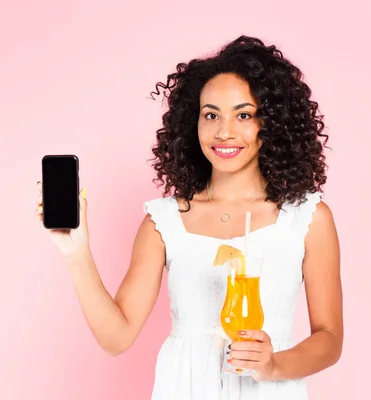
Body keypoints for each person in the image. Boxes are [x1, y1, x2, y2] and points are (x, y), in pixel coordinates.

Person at [35, 35, 342, 400]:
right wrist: (76, 253)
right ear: (192, 122)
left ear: (271, 123)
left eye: (243, 115)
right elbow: (116, 338)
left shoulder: (306, 217)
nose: (224, 131)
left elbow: (330, 338)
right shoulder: (164, 222)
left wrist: (273, 365)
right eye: (211, 114)